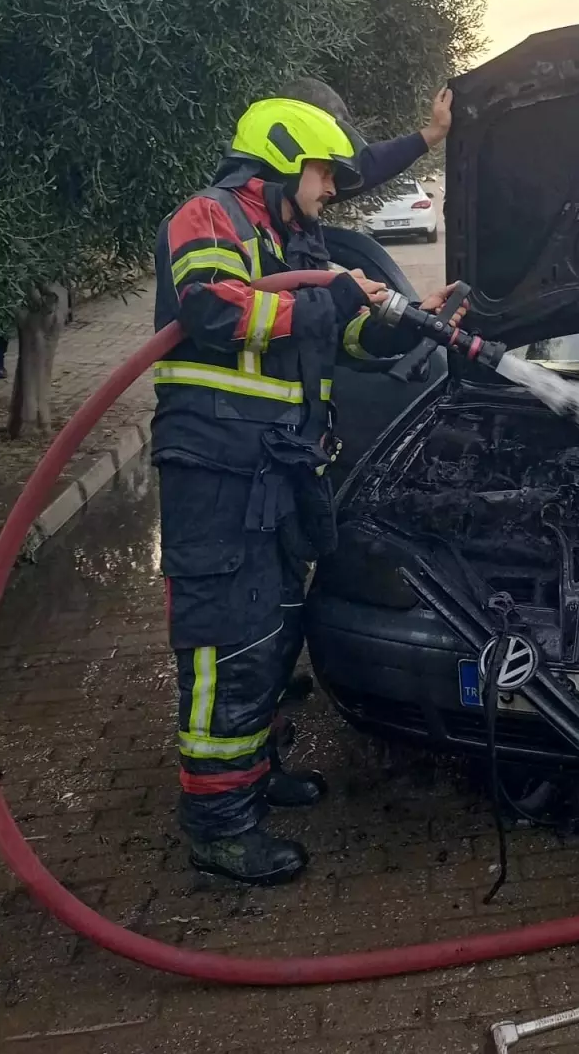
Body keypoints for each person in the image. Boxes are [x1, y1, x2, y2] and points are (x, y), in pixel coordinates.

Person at [153, 86, 466, 885]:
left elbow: (343, 334)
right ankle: (220, 826)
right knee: (229, 646)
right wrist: (324, 293)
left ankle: (254, 778)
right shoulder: (210, 218)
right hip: (217, 475)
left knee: (274, 637)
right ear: (282, 163)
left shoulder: (292, 244)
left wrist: (401, 318)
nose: (332, 188)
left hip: (279, 472)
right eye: (323, 174)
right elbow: (213, 312)